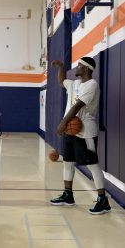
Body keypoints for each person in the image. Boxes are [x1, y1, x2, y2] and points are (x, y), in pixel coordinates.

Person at [50, 57, 111, 215]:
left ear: (86, 69)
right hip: (71, 132)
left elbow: (77, 106)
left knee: (92, 165)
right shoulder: (75, 84)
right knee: (68, 162)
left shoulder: (92, 85)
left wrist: (63, 123)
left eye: (79, 65)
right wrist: (61, 67)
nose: (76, 67)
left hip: (86, 132)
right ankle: (68, 195)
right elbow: (62, 80)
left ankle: (103, 200)